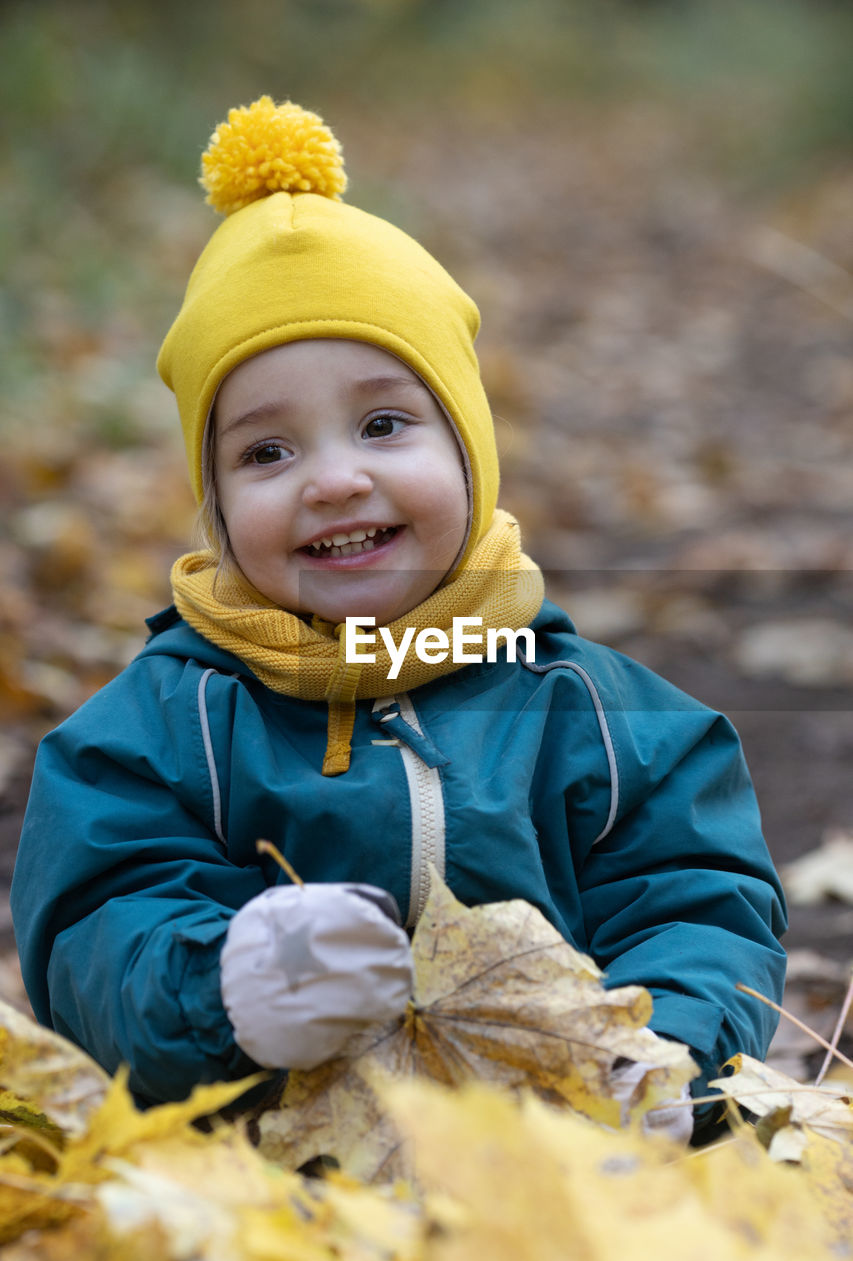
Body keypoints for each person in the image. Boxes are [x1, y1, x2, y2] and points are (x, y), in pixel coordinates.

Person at [11, 97, 786, 1142]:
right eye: (265, 452)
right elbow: (94, 933)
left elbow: (698, 905)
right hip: (273, 1185)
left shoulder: (595, 712)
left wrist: (662, 1063)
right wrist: (224, 985)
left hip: (561, 1170)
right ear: (213, 501)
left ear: (469, 448)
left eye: (383, 424)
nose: (334, 479)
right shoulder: (156, 730)